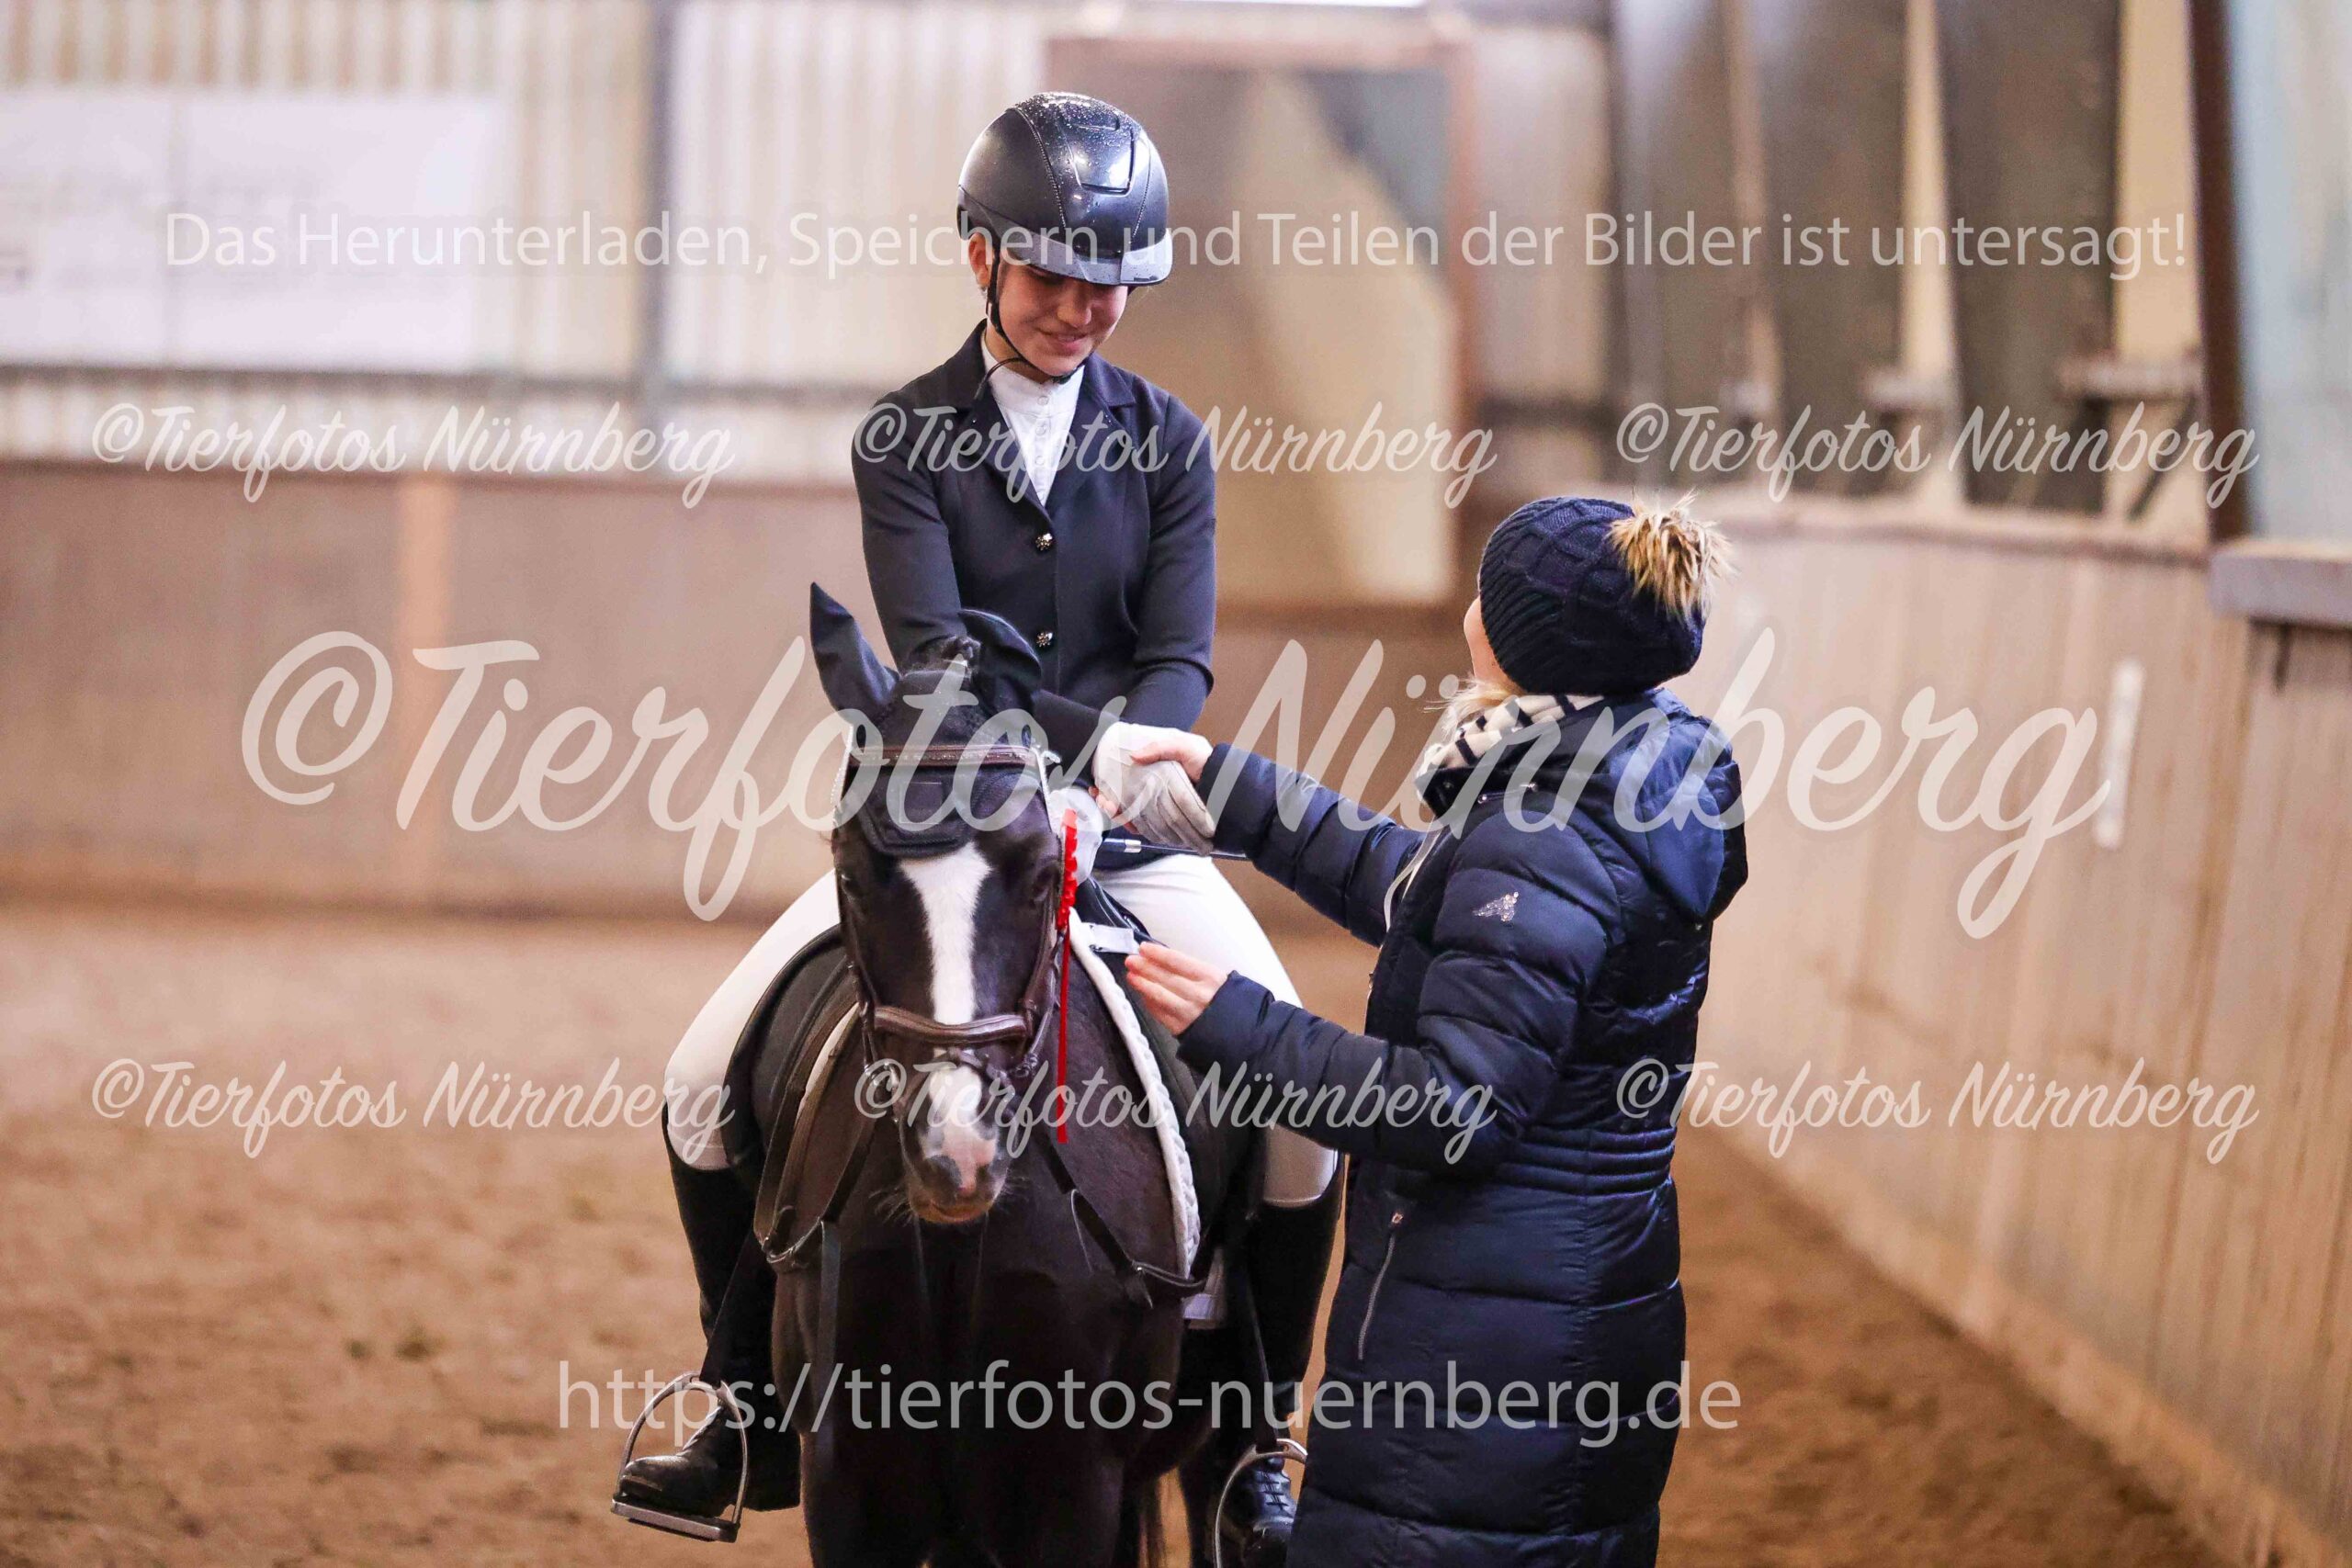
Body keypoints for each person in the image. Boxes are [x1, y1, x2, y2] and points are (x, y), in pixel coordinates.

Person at [616, 93, 1340, 1563]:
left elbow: (1178, 654)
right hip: (947, 826)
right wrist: (1082, 745)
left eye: (1107, 281)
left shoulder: (1171, 441)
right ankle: (742, 1405)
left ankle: (1253, 1442)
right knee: (701, 1079)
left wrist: (1129, 762)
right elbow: (941, 658)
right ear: (981, 257)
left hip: (1130, 830)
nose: (1079, 307)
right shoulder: (908, 436)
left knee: (1303, 1118)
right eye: (1051, 275)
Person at [1116, 496, 1748, 1568]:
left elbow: (1454, 1106)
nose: (1469, 610)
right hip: (1559, 1322)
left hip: (1483, 1367)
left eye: (1486, 595)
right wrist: (1231, 790)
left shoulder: (1546, 831)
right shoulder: (1622, 768)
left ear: (1521, 637)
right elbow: (1424, 894)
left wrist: (1242, 1027)